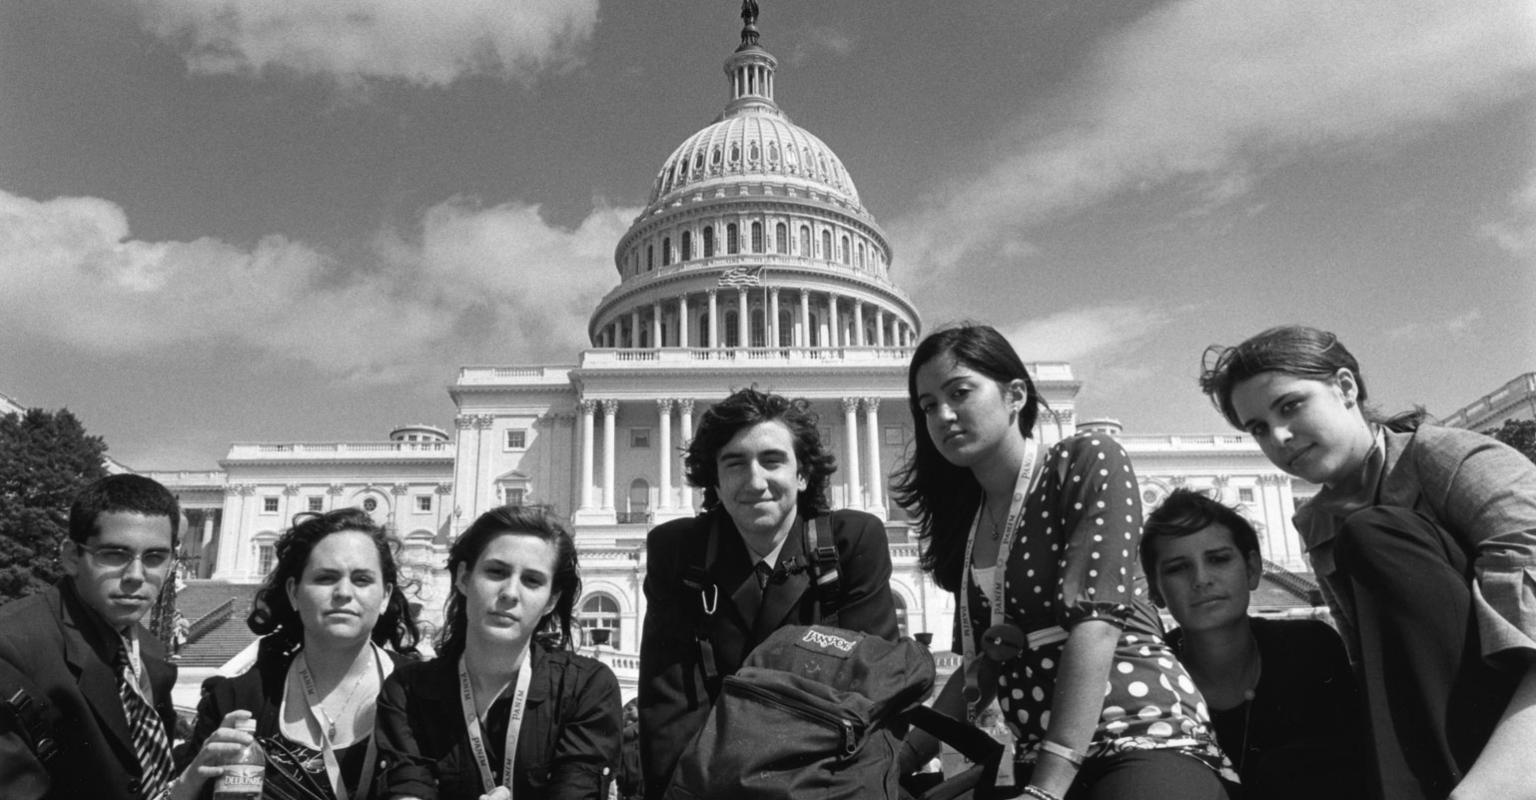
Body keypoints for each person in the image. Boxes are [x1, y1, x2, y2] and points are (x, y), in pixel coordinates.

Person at [893, 325, 1231, 800]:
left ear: (1015, 395)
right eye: (928, 406)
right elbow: (979, 669)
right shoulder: (968, 522)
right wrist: (895, 767)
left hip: (1139, 732)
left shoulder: (1085, 460)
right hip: (1037, 755)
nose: (944, 415)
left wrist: (1046, 791)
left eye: (960, 392)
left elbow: (1097, 626)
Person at [1199, 325, 1536, 800]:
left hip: (1515, 721)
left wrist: (1489, 787)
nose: (1278, 436)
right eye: (1257, 428)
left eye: (1291, 405)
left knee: (1375, 533)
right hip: (1438, 722)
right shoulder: (1316, 521)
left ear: (1345, 387)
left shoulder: (1453, 458)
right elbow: (1373, 664)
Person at [638, 387, 899, 798]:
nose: (755, 480)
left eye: (771, 460)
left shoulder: (853, 542)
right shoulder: (678, 552)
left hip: (826, 785)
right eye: (735, 463)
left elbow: (872, 693)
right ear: (716, 482)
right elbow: (671, 706)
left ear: (802, 474)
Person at [376, 505, 622, 799]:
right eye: (496, 572)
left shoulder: (588, 688)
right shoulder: (406, 691)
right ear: (464, 578)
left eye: (532, 580)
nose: (510, 592)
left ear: (551, 600)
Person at [174, 508, 421, 800]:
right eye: (326, 578)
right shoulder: (235, 700)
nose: (344, 592)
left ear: (386, 596)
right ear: (293, 593)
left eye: (362, 579)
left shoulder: (425, 693)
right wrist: (188, 784)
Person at [1141, 489, 1368, 800]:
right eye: (1178, 568)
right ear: (1155, 590)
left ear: (1252, 569)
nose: (1201, 579)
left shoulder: (1313, 650)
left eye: (1218, 559)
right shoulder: (1149, 676)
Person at [0, 474, 182, 800]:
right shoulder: (11, 647)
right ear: (72, 556)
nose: (136, 576)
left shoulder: (151, 655)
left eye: (155, 557)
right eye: (114, 554)